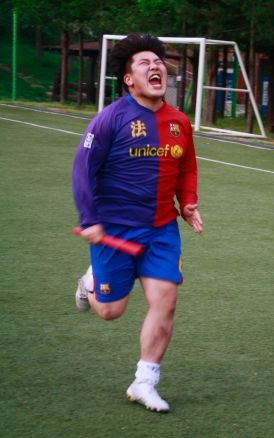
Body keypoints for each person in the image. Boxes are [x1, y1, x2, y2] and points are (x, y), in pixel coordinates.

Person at [72, 33, 203, 414]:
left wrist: (188, 202)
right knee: (111, 312)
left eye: (159, 62)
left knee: (166, 302)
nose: (155, 67)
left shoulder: (179, 122)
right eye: (144, 63)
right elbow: (83, 170)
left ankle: (145, 381)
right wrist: (89, 219)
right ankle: (91, 280)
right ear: (129, 79)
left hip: (162, 228)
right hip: (114, 230)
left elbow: (187, 166)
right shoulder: (110, 118)